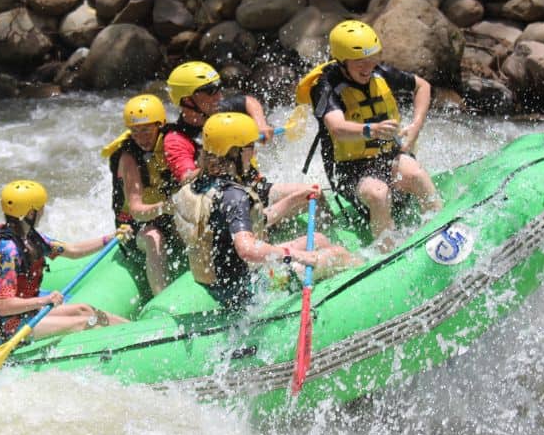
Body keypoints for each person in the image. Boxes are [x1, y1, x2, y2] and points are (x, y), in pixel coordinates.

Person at [173, 113, 358, 309]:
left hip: (221, 285)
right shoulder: (233, 196)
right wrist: (293, 254)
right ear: (234, 152)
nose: (254, 154)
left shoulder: (200, 185)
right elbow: (247, 249)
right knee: (338, 254)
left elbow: (254, 221)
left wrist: (294, 199)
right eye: (250, 147)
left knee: (319, 239)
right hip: (250, 289)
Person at [296, 20, 441, 249]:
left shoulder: (379, 72)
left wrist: (415, 126)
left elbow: (422, 86)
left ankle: (441, 228)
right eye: (360, 62)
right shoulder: (324, 87)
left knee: (416, 174)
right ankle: (387, 251)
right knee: (378, 193)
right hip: (350, 168)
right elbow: (337, 128)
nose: (368, 66)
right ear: (343, 62)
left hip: (386, 155)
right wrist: (371, 130)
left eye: (372, 58)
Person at [0, 180, 129, 341]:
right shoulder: (8, 252)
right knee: (84, 322)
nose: (43, 212)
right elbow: (4, 306)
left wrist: (109, 239)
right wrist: (44, 300)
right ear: (31, 213)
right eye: (40, 208)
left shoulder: (31, 239)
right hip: (5, 326)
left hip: (26, 313)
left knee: (84, 309)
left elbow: (73, 251)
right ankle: (130, 340)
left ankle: (135, 329)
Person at [163, 61, 313, 227]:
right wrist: (216, 163)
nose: (219, 96)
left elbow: (248, 101)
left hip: (251, 187)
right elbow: (186, 178)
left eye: (218, 88)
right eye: (210, 91)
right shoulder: (176, 139)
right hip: (222, 204)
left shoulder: (219, 111)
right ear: (188, 100)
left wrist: (260, 123)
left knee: (312, 195)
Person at [101, 94, 180, 295]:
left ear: (159, 125)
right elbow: (136, 209)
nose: (140, 137)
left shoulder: (174, 143)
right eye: (135, 131)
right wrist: (165, 207)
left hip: (168, 216)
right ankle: (161, 299)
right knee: (154, 237)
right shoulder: (128, 157)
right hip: (135, 227)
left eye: (145, 129)